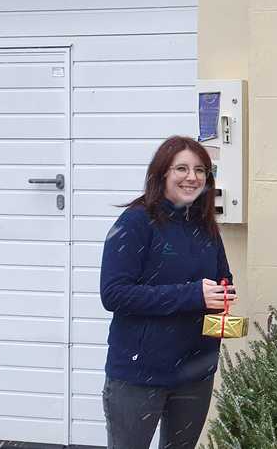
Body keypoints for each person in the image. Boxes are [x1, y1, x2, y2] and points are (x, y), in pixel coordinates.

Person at [99, 136, 235, 449]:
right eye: (182, 168)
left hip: (195, 369)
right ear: (162, 175)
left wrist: (223, 294)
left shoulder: (204, 226)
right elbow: (114, 294)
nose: (192, 177)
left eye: (200, 170)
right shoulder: (136, 222)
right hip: (139, 371)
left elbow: (222, 277)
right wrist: (192, 295)